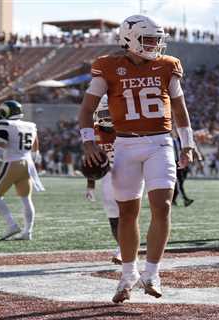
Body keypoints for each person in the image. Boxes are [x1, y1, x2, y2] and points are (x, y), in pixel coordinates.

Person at [78, 15, 194, 303]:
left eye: (157, 39)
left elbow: (179, 109)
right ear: (129, 39)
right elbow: (87, 108)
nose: (155, 45)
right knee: (127, 213)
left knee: (162, 206)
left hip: (160, 142)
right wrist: (88, 142)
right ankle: (128, 273)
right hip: (125, 145)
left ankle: (152, 272)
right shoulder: (107, 66)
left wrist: (188, 144)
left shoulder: (168, 66)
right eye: (149, 40)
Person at [0, 100, 44, 240]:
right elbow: (36, 150)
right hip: (28, 165)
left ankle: (12, 225)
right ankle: (28, 232)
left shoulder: (5, 124)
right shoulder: (31, 126)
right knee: (26, 199)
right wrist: (31, 162)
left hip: (12, 163)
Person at [84, 95, 121, 264]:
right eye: (103, 112)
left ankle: (124, 251)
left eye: (110, 112)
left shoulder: (126, 129)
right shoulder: (93, 132)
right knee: (113, 218)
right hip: (108, 175)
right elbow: (91, 162)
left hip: (131, 171)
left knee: (128, 213)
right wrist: (90, 185)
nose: (106, 116)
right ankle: (122, 247)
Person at [172, 130, 194, 207]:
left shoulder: (180, 141)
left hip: (180, 163)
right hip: (174, 163)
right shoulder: (171, 141)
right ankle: (185, 199)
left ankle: (172, 200)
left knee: (179, 183)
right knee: (178, 183)